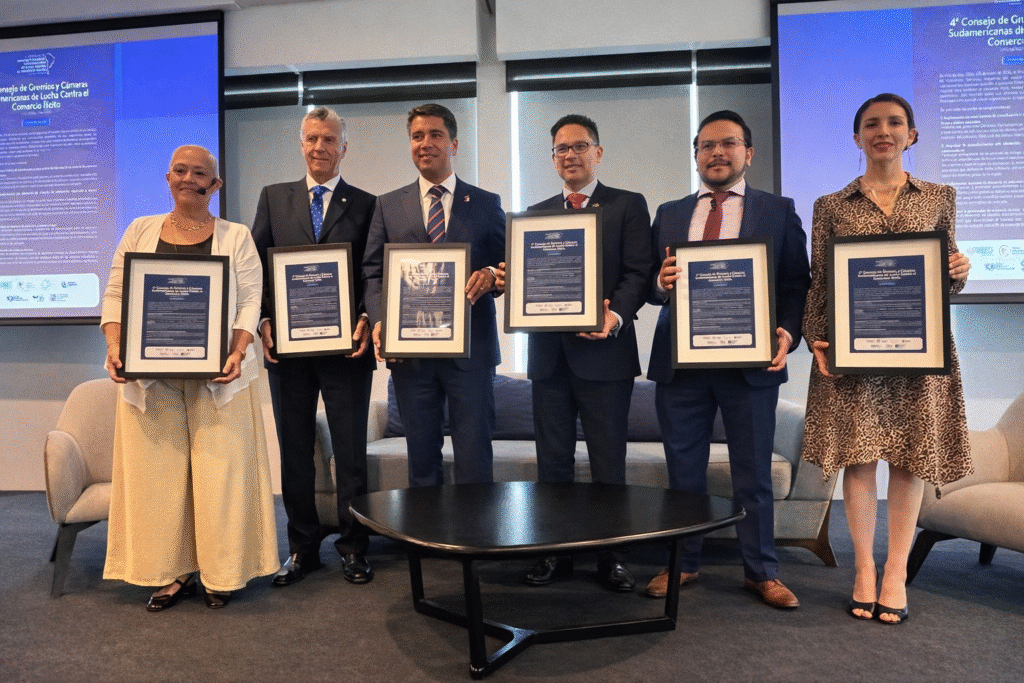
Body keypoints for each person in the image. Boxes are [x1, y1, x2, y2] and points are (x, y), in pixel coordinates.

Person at [801, 93, 972, 624]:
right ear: (857, 138)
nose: (883, 131)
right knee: (859, 457)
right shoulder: (831, 205)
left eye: (895, 122)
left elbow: (943, 278)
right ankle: (864, 568)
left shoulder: (940, 196)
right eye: (871, 124)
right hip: (854, 353)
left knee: (908, 457)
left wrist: (959, 273)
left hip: (918, 350)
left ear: (911, 135)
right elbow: (821, 284)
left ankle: (895, 570)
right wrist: (816, 339)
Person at [101, 145, 278, 610]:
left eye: (200, 173)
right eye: (180, 170)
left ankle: (222, 573)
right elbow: (116, 294)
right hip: (150, 379)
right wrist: (115, 346)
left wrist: (238, 351)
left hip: (220, 378)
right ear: (167, 178)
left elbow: (250, 300)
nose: (188, 179)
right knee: (158, 479)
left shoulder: (236, 236)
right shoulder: (139, 230)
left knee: (222, 477)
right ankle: (171, 573)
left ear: (214, 185)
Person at [645, 111, 811, 608]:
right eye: (707, 145)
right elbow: (652, 286)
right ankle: (683, 562)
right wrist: (660, 284)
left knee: (753, 474)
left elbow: (795, 284)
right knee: (684, 474)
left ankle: (762, 571)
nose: (717, 152)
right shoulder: (670, 213)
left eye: (729, 143)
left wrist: (788, 333)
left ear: (748, 154)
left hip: (751, 365)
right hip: (681, 366)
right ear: (696, 154)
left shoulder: (778, 211)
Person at [496, 114, 654, 592]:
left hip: (606, 357)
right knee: (552, 465)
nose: (570, 155)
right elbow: (529, 281)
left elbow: (639, 272)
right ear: (552, 158)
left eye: (580, 146)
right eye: (561, 148)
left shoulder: (627, 205)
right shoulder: (534, 215)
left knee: (608, 465)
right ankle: (554, 553)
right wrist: (511, 280)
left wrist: (614, 315)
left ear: (598, 152)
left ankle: (612, 557)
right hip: (549, 360)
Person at [251, 107, 377, 587]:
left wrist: (365, 317)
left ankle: (354, 547)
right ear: (301, 144)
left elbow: (372, 272)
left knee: (350, 454)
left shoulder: (368, 204)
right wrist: (264, 320)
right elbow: (256, 270)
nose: (319, 147)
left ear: (344, 147)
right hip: (289, 353)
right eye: (311, 138)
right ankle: (302, 549)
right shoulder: (274, 198)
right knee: (295, 452)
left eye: (328, 139)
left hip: (348, 352)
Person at [363, 103, 505, 487]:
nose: (425, 143)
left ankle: (476, 528)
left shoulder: (486, 203)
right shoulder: (387, 205)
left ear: (453, 144)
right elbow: (373, 272)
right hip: (411, 356)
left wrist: (492, 275)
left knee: (475, 461)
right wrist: (379, 321)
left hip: (472, 354)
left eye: (435, 135)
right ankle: (427, 530)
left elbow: (509, 265)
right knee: (422, 464)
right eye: (417, 136)